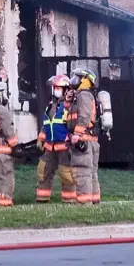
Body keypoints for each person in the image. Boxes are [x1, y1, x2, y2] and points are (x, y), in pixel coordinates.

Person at [35, 74, 76, 203]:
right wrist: (41, 138)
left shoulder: (70, 106)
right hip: (49, 147)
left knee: (66, 174)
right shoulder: (51, 106)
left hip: (64, 147)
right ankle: (42, 198)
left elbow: (73, 125)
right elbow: (46, 125)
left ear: (65, 89)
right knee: (43, 171)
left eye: (58, 88)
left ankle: (69, 200)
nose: (55, 90)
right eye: (54, 88)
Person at [67, 68, 101, 205]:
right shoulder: (84, 95)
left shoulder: (83, 95)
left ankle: (84, 205)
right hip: (90, 140)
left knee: (82, 173)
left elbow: (84, 116)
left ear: (85, 80)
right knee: (91, 173)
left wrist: (77, 134)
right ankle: (94, 201)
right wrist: (68, 101)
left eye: (78, 77)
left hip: (83, 141)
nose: (75, 80)